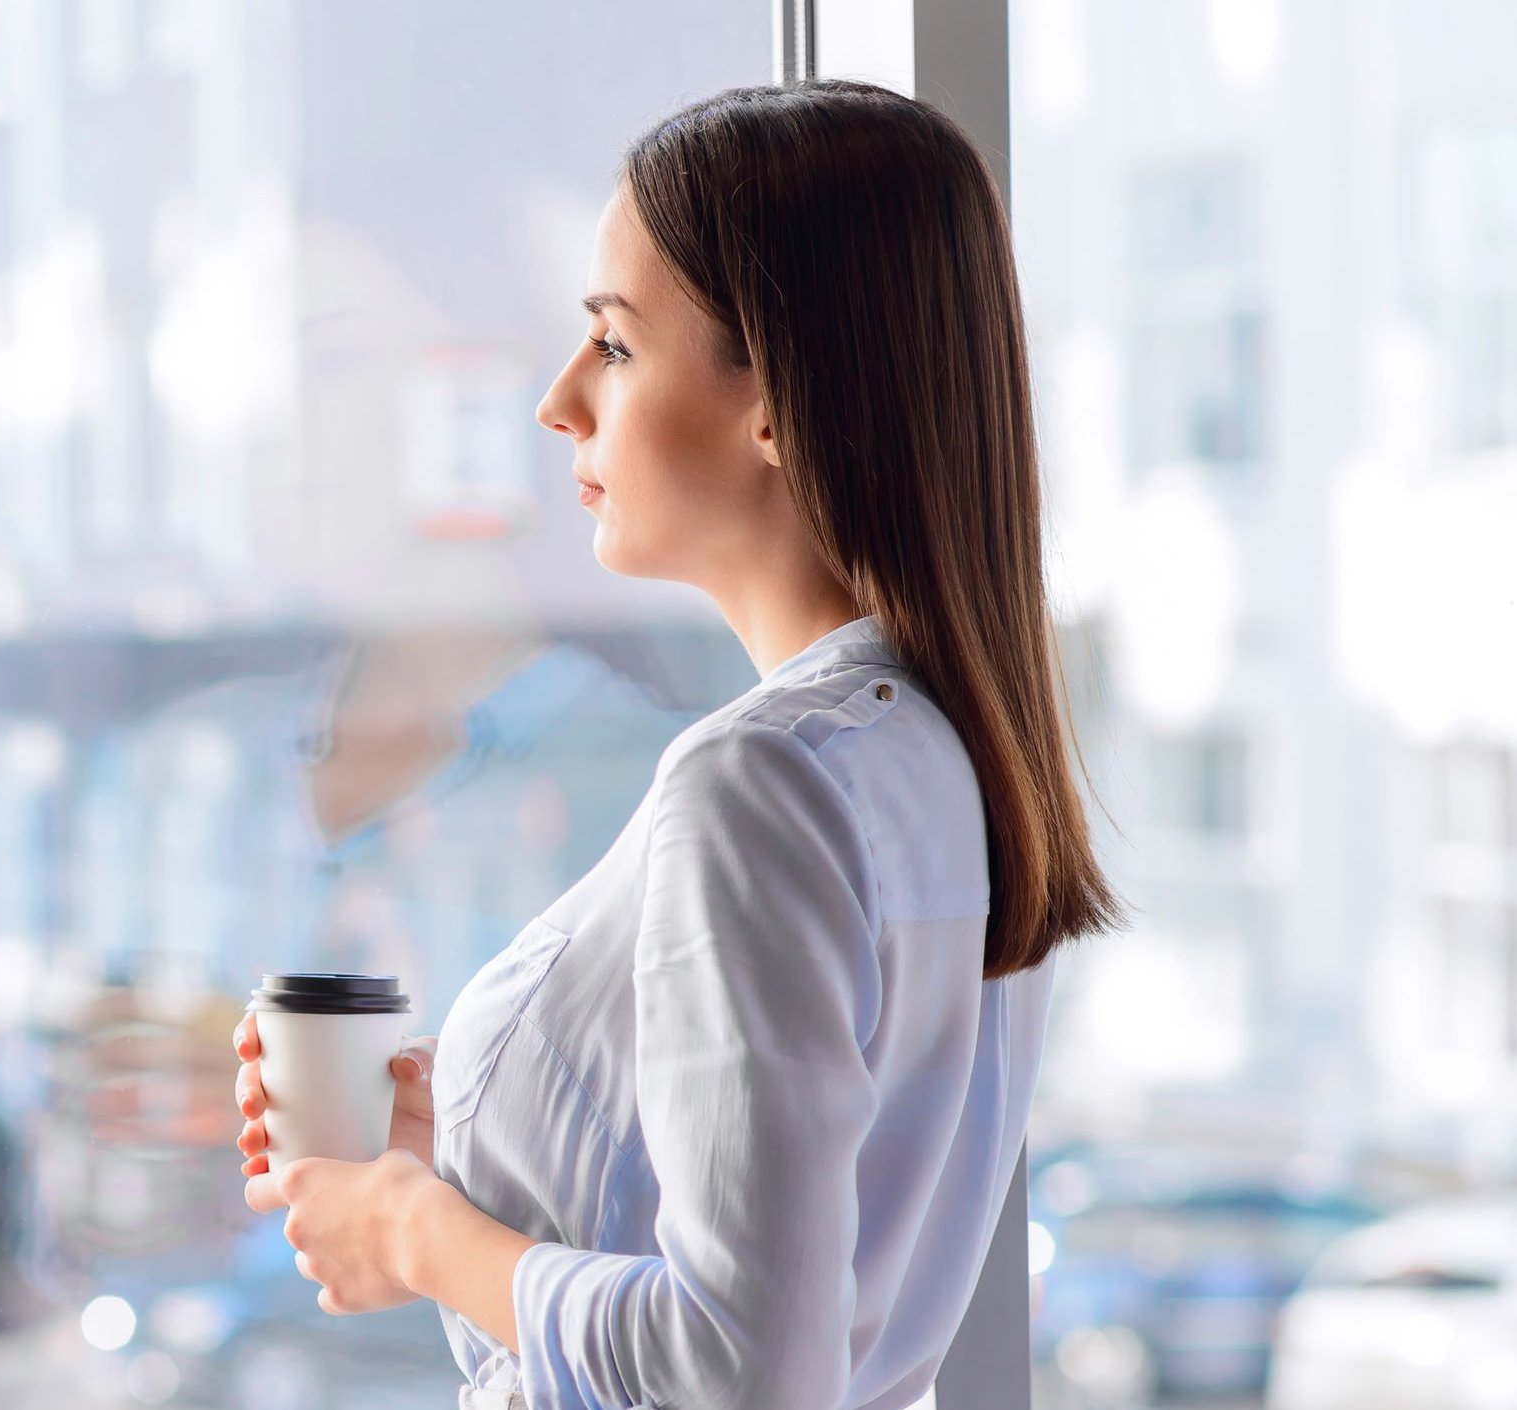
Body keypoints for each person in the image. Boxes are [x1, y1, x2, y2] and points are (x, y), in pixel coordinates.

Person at [229, 80, 1122, 1410]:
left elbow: (745, 1365)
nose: (558, 401)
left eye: (617, 344)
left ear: (776, 396)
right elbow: (787, 1261)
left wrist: (418, 1231)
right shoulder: (937, 755)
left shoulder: (757, 784)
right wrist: (440, 1168)